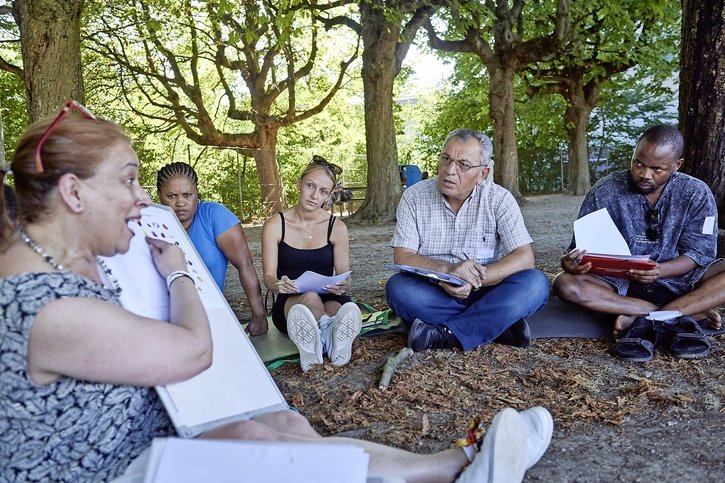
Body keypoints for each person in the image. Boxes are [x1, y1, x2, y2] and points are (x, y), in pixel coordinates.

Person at [0, 102, 554, 482]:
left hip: (151, 425)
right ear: (73, 192)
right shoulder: (37, 301)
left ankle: (451, 464)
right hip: (109, 465)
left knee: (285, 422)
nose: (143, 201)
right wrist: (178, 270)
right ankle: (455, 467)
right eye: (129, 180)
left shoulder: (75, 258)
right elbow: (193, 350)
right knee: (249, 436)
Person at [553, 124, 725, 360]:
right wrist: (571, 263)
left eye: (657, 169)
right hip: (620, 286)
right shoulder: (606, 190)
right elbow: (579, 248)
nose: (645, 174)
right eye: (638, 163)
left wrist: (661, 271)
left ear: (677, 165)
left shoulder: (696, 192)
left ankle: (640, 319)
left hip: (683, 281)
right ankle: (682, 314)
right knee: (565, 284)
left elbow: (700, 253)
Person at [386, 128, 550, 352]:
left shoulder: (499, 199)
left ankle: (446, 334)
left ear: (483, 173)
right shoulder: (414, 197)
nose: (450, 171)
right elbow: (403, 256)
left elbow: (524, 257)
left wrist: (473, 280)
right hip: (436, 290)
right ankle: (498, 325)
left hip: (488, 288)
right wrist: (449, 271)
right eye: (446, 159)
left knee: (536, 283)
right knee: (398, 289)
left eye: (463, 164)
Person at [261, 155, 362, 372]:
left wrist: (343, 285)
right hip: (291, 303)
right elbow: (268, 277)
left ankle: (319, 341)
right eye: (310, 186)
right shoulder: (275, 225)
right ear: (299, 183)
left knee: (341, 309)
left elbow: (345, 275)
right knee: (309, 297)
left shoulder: (336, 228)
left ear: (329, 195)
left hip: (330, 295)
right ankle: (331, 338)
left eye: (323, 191)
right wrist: (279, 284)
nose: (314, 195)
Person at [156, 162, 268, 336]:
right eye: (171, 196)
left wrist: (259, 316)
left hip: (208, 313)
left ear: (197, 193)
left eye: (187, 195)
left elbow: (245, 265)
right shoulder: (149, 224)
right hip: (161, 316)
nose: (180, 203)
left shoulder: (214, 216)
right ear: (159, 196)